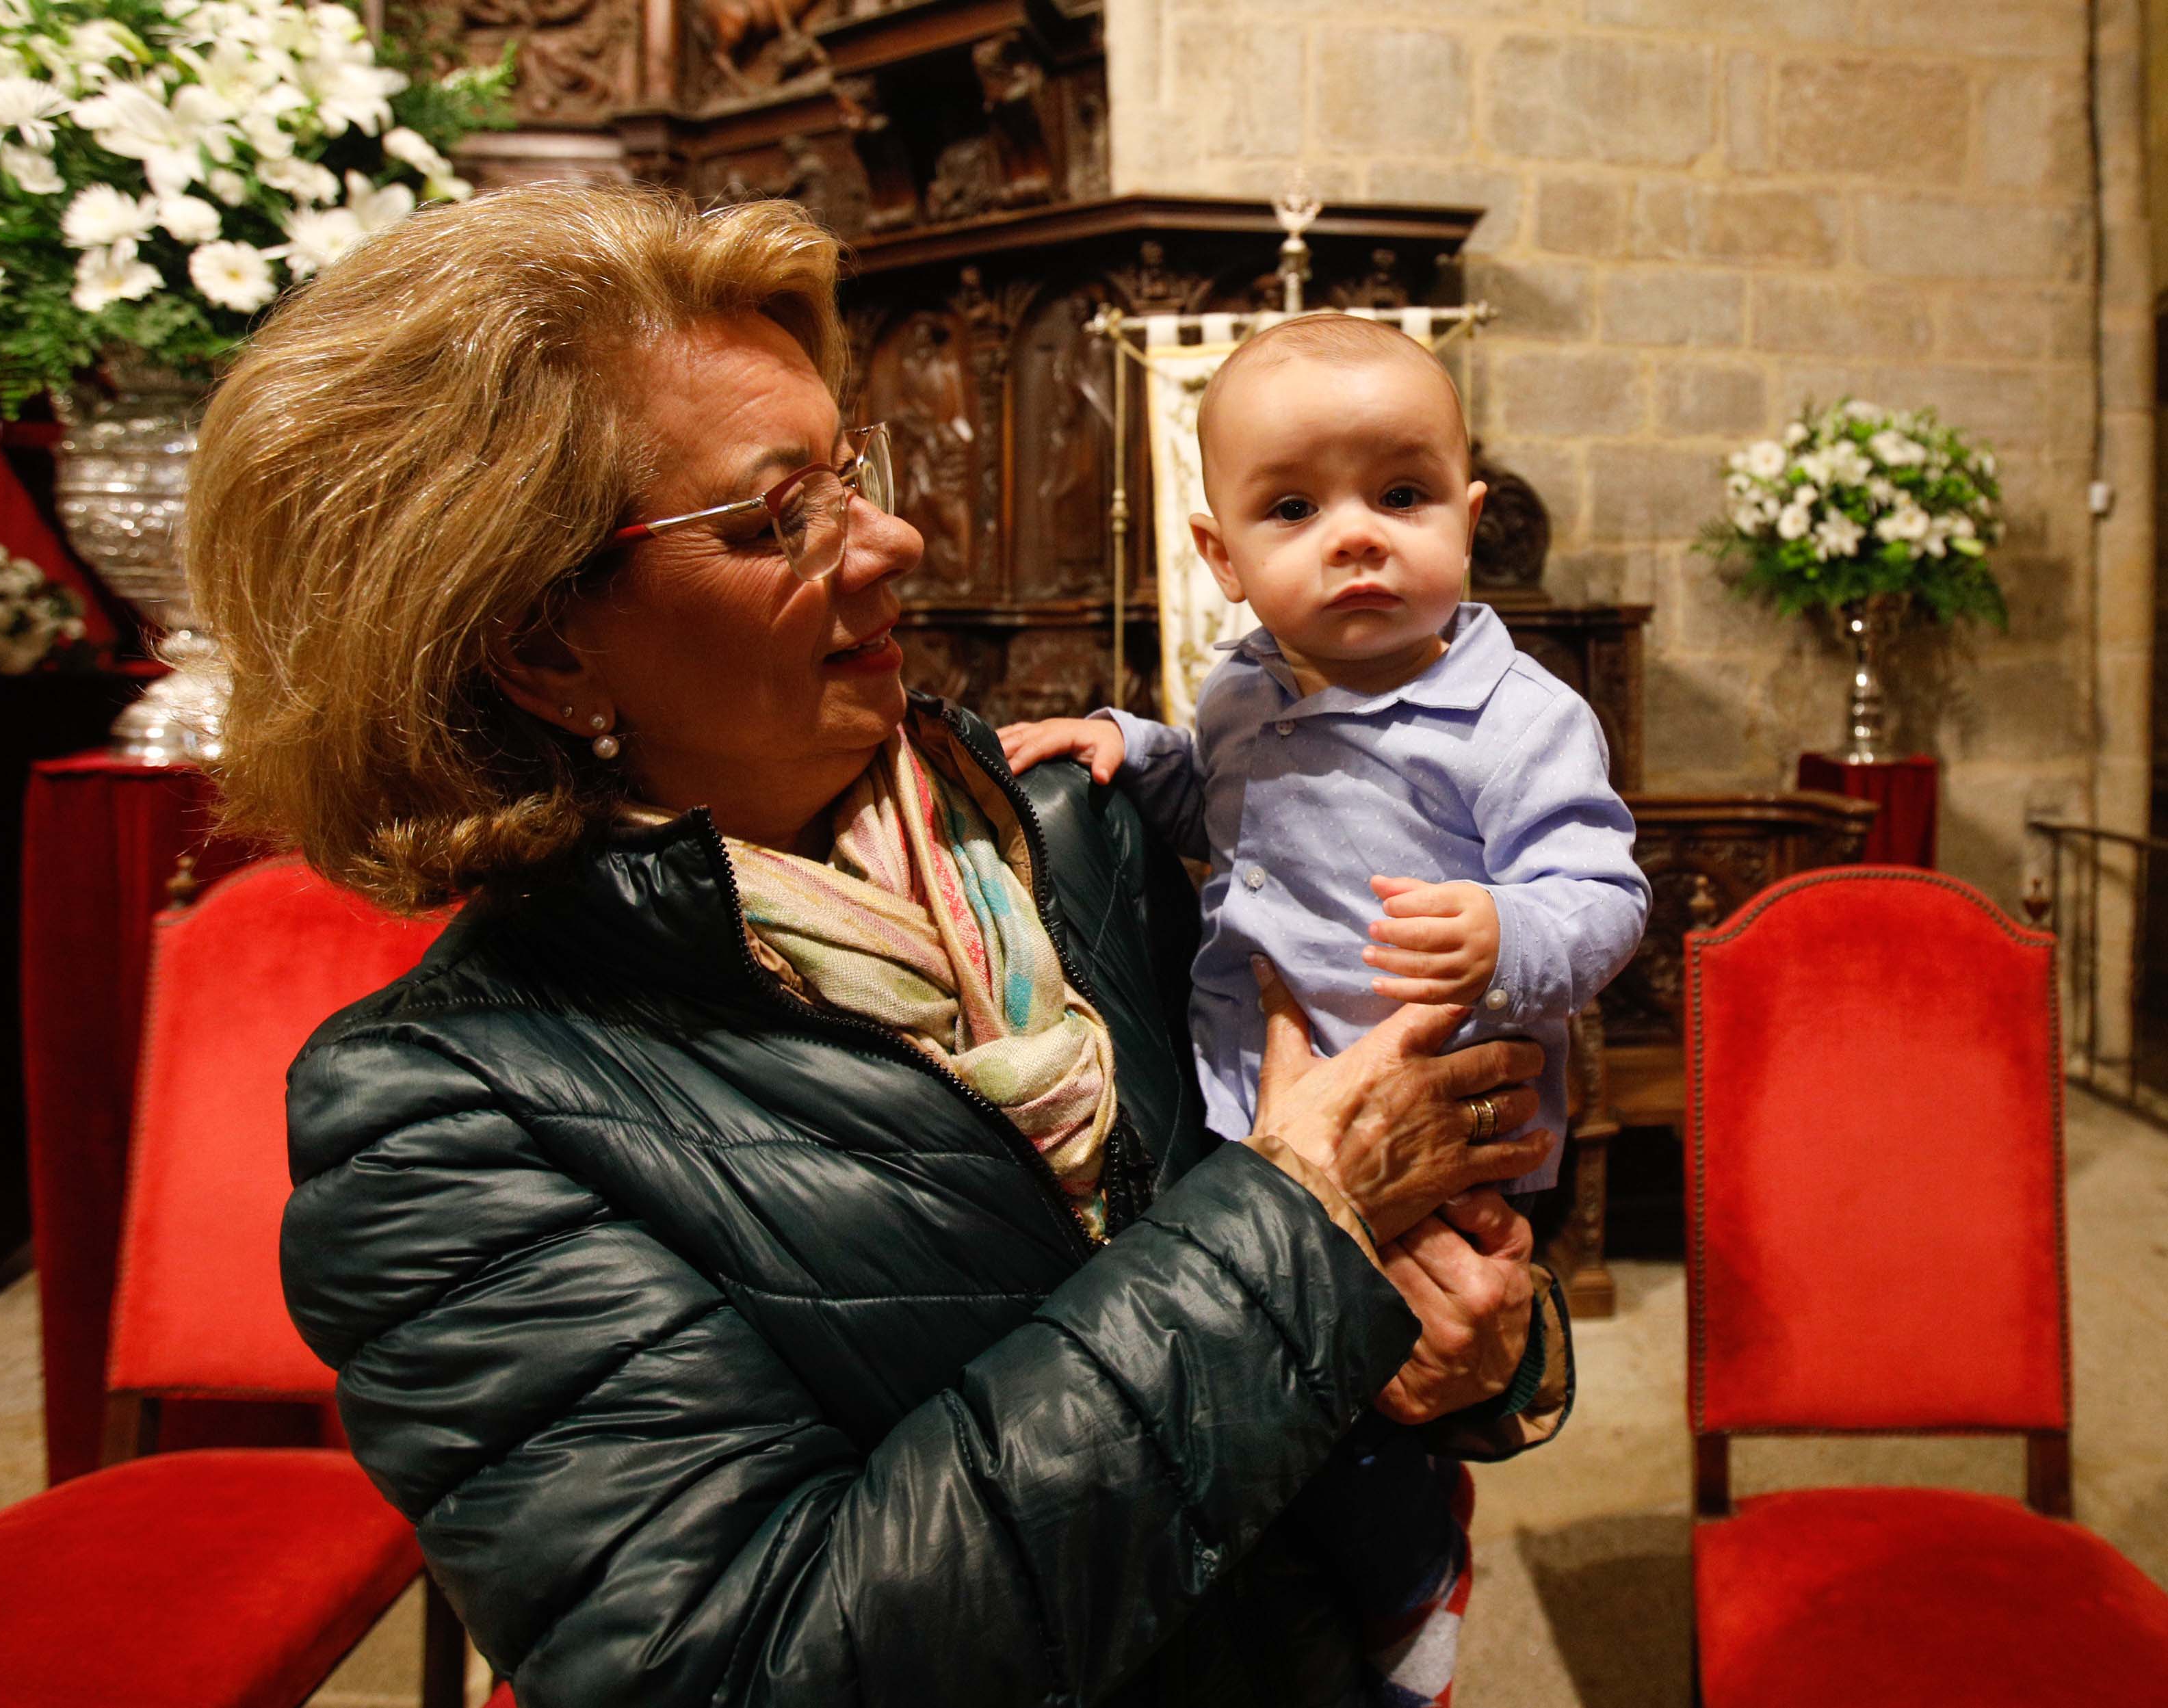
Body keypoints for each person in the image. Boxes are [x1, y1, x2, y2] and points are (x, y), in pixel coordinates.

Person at [191, 182, 1573, 1708]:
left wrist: (1477, 1346)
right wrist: (1289, 1231)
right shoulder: (439, 1121)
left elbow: (1394, 1206)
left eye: (854, 473)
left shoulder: (1077, 825)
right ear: (539, 639)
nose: (897, 540)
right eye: (779, 514)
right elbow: (751, 1666)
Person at [997, 313, 1649, 1702]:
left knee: (1365, 1391)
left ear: (1467, 519)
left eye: (1400, 495)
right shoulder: (1237, 690)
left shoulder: (1513, 718)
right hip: (1260, 1112)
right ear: (1218, 556)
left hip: (1437, 1125)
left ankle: (1413, 1582)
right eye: (1293, 507)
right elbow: (1210, 804)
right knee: (1278, 1392)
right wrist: (1132, 749)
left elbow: (1603, 893)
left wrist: (1507, 930)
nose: (1355, 537)